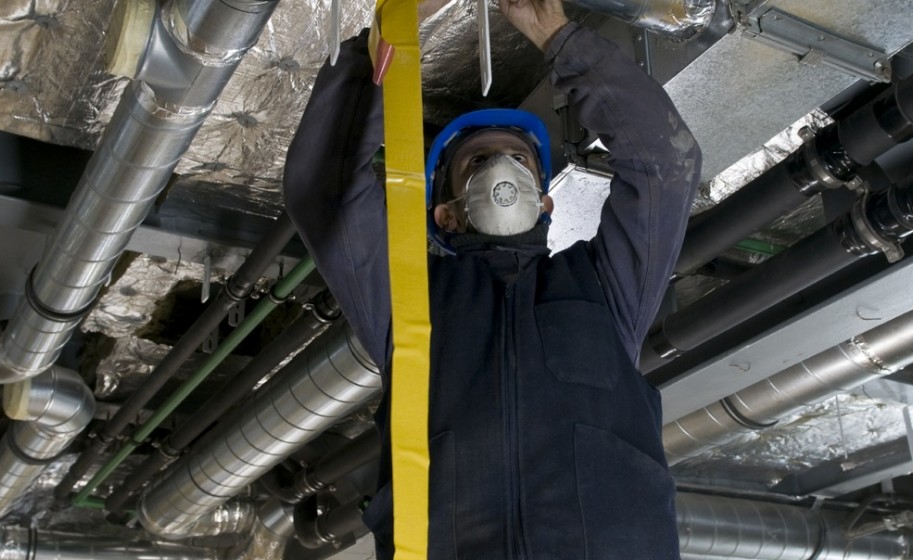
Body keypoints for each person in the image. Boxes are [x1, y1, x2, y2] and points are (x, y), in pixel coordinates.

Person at [284, 0, 700, 557]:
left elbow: (663, 165)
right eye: (478, 163)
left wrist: (556, 34)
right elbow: (324, 189)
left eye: (517, 161)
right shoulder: (412, 303)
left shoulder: (604, 288)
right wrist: (391, 39)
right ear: (447, 214)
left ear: (547, 203)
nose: (501, 171)